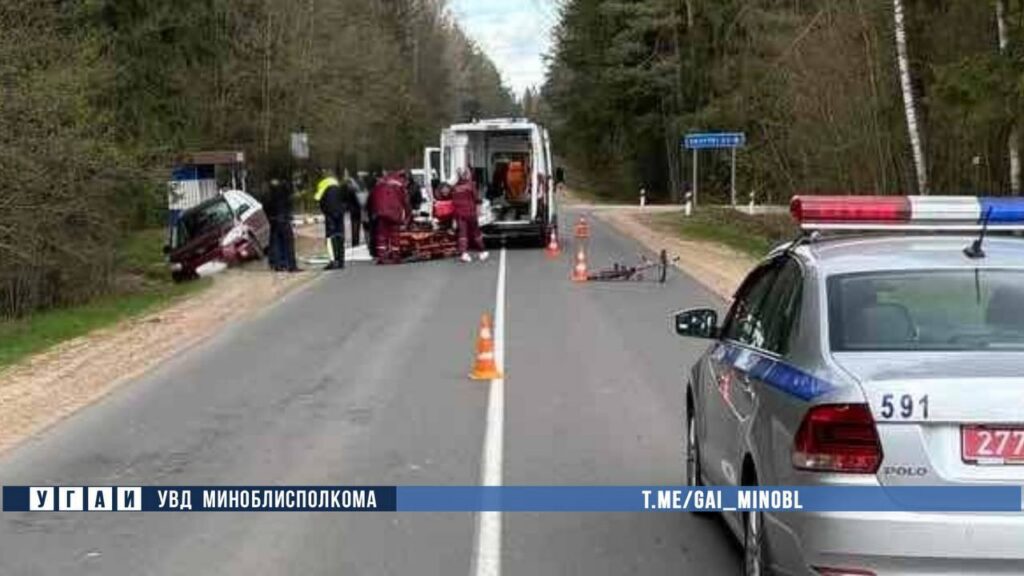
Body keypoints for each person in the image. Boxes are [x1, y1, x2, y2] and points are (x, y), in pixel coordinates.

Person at [369, 171, 411, 259]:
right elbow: (406, 203)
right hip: (394, 214)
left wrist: (375, 211)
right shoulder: (400, 186)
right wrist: (408, 216)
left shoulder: (381, 183)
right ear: (404, 178)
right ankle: (395, 254)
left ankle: (382, 255)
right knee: (394, 235)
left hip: (381, 213)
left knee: (382, 236)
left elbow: (373, 197)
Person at [452, 167, 489, 263]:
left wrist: (454, 217)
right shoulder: (471, 185)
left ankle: (464, 253)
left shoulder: (455, 188)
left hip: (460, 214)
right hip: (470, 212)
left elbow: (454, 202)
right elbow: (477, 199)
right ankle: (482, 251)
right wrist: (479, 210)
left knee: (462, 234)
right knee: (476, 233)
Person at [265, 169, 299, 272]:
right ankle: (291, 265)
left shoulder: (268, 191)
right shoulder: (283, 189)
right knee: (288, 242)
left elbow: (266, 206)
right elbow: (288, 203)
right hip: (283, 218)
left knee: (276, 243)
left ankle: (278, 265)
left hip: (273, 220)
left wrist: (270, 217)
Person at [315, 170, 347, 270]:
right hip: (340, 213)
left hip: (330, 214)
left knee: (330, 237)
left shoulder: (323, 184)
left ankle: (333, 261)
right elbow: (345, 199)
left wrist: (324, 210)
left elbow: (317, 198)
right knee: (340, 236)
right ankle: (341, 260)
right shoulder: (338, 185)